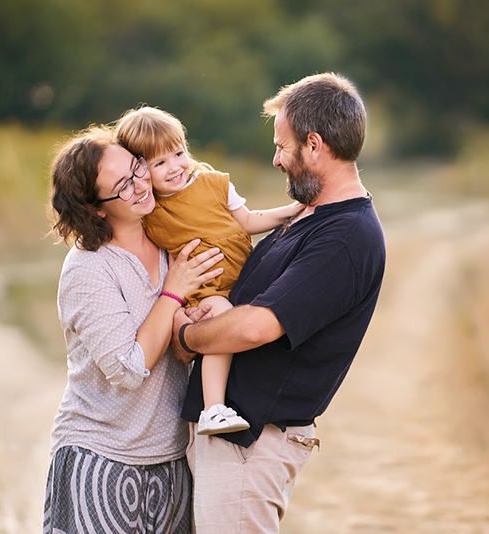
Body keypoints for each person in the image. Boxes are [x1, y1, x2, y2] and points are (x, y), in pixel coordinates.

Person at [171, 72, 386, 533]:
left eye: (281, 146)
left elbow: (257, 326)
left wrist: (186, 337)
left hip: (252, 443)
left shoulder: (346, 235)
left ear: (313, 145)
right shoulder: (307, 216)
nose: (275, 160)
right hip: (230, 438)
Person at [42, 125, 224, 534]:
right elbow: (127, 368)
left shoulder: (170, 245)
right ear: (95, 209)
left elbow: (181, 343)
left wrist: (192, 328)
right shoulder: (88, 268)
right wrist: (173, 295)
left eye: (137, 168)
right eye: (122, 185)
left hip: (174, 460)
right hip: (100, 458)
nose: (141, 184)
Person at [115, 106, 302, 436]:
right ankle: (213, 408)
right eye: (160, 163)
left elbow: (249, 220)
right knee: (222, 322)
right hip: (206, 293)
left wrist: (293, 211)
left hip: (244, 276)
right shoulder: (150, 211)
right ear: (141, 171)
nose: (174, 167)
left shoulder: (214, 183)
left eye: (178, 153)